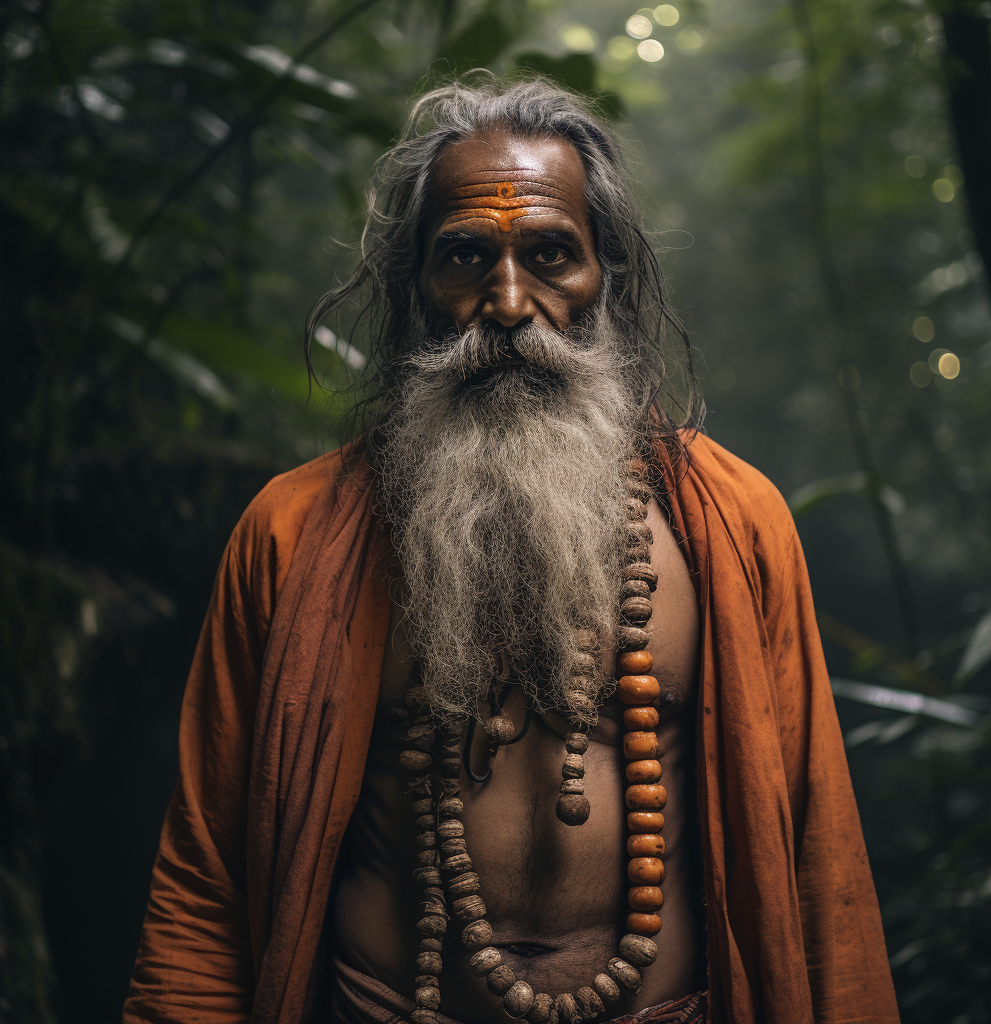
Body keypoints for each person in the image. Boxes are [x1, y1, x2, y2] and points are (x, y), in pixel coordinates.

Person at [123, 78, 900, 1024]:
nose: (506, 300)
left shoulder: (735, 524)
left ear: (602, 276)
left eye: (548, 255)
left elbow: (819, 865)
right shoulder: (289, 537)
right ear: (416, 285)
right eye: (464, 256)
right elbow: (209, 881)